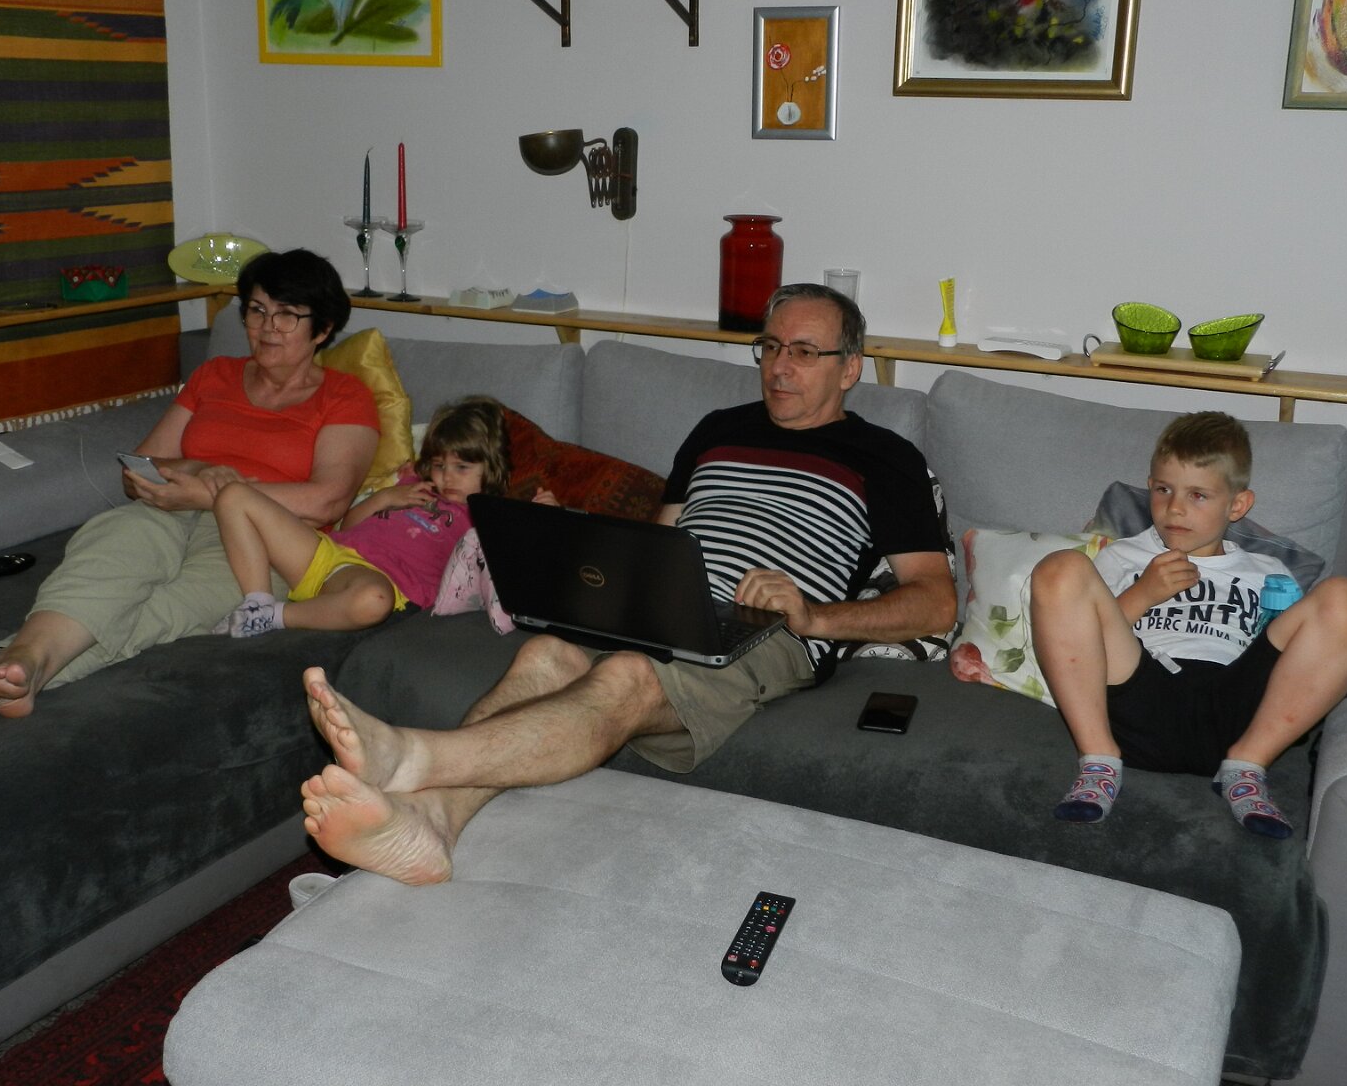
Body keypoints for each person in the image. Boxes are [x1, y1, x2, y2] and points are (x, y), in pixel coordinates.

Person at [293, 282, 959, 885]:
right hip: (658, 605)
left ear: (850, 368)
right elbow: (659, 540)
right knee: (544, 654)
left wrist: (814, 616)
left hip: (765, 631)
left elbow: (935, 602)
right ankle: (434, 825)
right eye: (772, 346)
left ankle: (411, 756)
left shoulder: (887, 459)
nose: (780, 366)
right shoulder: (717, 430)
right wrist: (585, 564)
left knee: (627, 677)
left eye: (805, 352)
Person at [0, 249, 381, 729]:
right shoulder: (214, 375)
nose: (267, 327)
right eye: (257, 310)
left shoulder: (345, 396)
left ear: (322, 329)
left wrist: (211, 494)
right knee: (101, 569)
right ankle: (20, 668)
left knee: (164, 609)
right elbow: (139, 470)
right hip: (168, 509)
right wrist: (199, 467)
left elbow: (328, 500)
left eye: (287, 315)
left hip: (260, 544)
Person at [1029, 411, 1347, 838]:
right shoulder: (1124, 556)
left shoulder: (1267, 571)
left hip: (1235, 710)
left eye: (1198, 495)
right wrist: (1144, 594)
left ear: (1237, 505)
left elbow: (1303, 661)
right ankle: (1098, 762)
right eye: (1163, 489)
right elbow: (1079, 644)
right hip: (1139, 698)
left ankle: (1247, 767)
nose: (1174, 507)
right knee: (1060, 569)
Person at [212, 396, 512, 637]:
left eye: (462, 468)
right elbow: (348, 524)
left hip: (383, 581)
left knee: (373, 601)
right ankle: (257, 602)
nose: (446, 477)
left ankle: (274, 616)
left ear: (491, 468)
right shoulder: (412, 485)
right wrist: (386, 497)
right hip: (328, 556)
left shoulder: (484, 519)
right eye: (439, 465)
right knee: (233, 495)